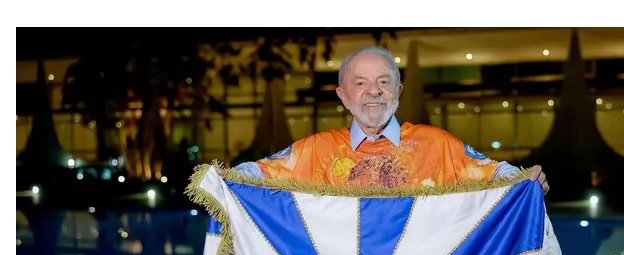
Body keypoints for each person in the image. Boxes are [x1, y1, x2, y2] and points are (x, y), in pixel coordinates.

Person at [227, 45, 549, 193]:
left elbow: (494, 173)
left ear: (398, 91)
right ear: (343, 96)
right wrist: (218, 179)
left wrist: (527, 179)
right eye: (360, 83)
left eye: (383, 82)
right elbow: (256, 173)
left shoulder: (436, 144)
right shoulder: (316, 150)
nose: (373, 91)